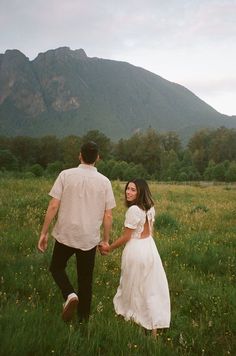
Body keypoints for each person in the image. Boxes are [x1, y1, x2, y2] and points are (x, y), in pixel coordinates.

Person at [38, 141, 116, 322]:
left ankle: (69, 294)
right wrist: (105, 241)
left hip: (66, 234)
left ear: (79, 155)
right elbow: (108, 216)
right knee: (85, 279)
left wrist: (44, 232)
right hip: (88, 239)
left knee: (56, 267)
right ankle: (83, 320)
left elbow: (53, 205)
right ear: (98, 157)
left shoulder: (65, 175)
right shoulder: (105, 182)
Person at [99, 179, 170, 336]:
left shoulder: (134, 211)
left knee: (133, 285)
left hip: (137, 249)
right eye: (128, 189)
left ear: (140, 192)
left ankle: (137, 317)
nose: (128, 192)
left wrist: (109, 247)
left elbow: (126, 237)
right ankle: (153, 326)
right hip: (150, 248)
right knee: (150, 287)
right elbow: (151, 231)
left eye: (133, 190)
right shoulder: (150, 208)